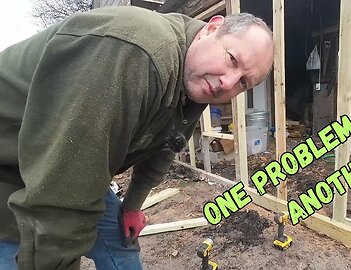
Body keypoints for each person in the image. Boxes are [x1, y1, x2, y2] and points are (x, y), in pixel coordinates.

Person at [0, 5, 274, 270]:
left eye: (242, 83)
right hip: (11, 163)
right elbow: (59, 197)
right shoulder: (138, 54)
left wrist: (132, 206)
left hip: (68, 165)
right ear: (212, 28)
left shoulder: (194, 78)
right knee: (30, 251)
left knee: (120, 239)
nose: (228, 82)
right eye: (232, 60)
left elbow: (167, 146)